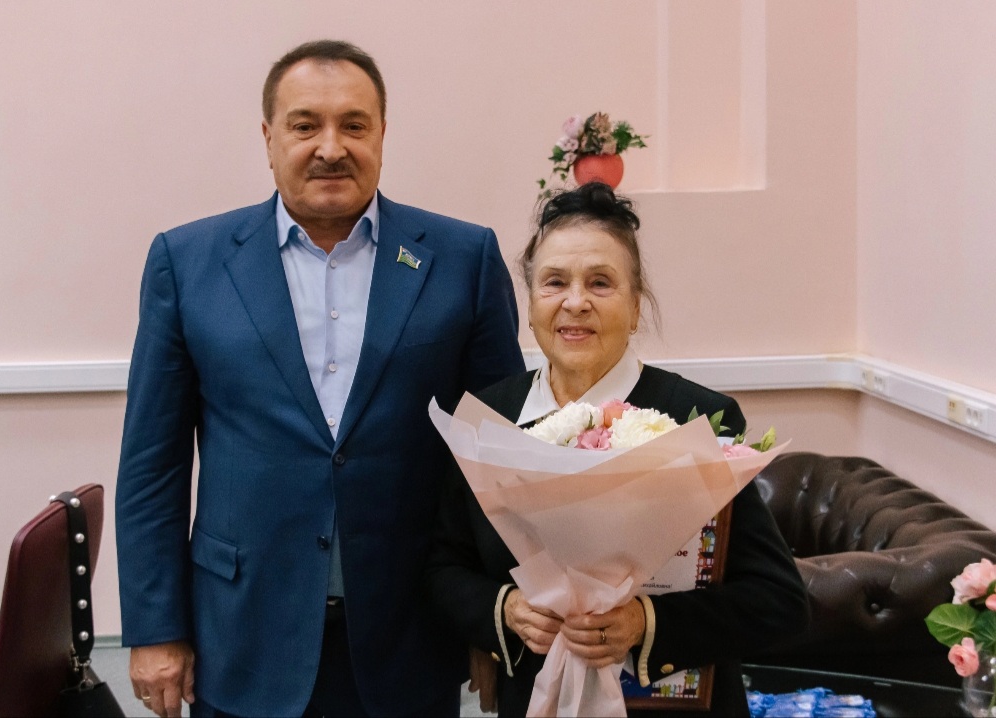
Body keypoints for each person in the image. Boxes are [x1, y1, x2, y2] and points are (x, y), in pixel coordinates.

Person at [115, 39, 525, 718]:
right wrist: (156, 626)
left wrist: (490, 614)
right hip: (242, 633)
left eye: (353, 125)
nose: (331, 148)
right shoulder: (187, 263)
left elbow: (499, 456)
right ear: (269, 138)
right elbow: (151, 466)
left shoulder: (463, 258)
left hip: (410, 632)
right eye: (305, 125)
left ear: (383, 134)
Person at [426, 182, 809, 716]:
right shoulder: (487, 421)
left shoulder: (697, 418)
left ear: (634, 308)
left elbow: (779, 601)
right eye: (554, 282)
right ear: (530, 306)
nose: (575, 302)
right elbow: (443, 568)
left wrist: (646, 624)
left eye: (600, 283)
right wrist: (506, 610)